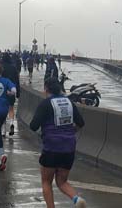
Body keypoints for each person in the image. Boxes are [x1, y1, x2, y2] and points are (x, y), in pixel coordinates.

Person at [29, 77, 87, 208]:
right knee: (62, 182)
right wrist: (71, 131)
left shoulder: (45, 103)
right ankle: (77, 199)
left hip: (51, 147)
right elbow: (81, 123)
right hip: (69, 148)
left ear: (46, 89)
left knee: (46, 182)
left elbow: (33, 126)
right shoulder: (69, 102)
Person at [2, 53, 21, 136]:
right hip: (12, 90)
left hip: (2, 91)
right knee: (11, 109)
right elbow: (17, 81)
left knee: (2, 110)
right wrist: (18, 93)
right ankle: (11, 124)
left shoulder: (1, 67)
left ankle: (3, 130)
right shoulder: (13, 68)